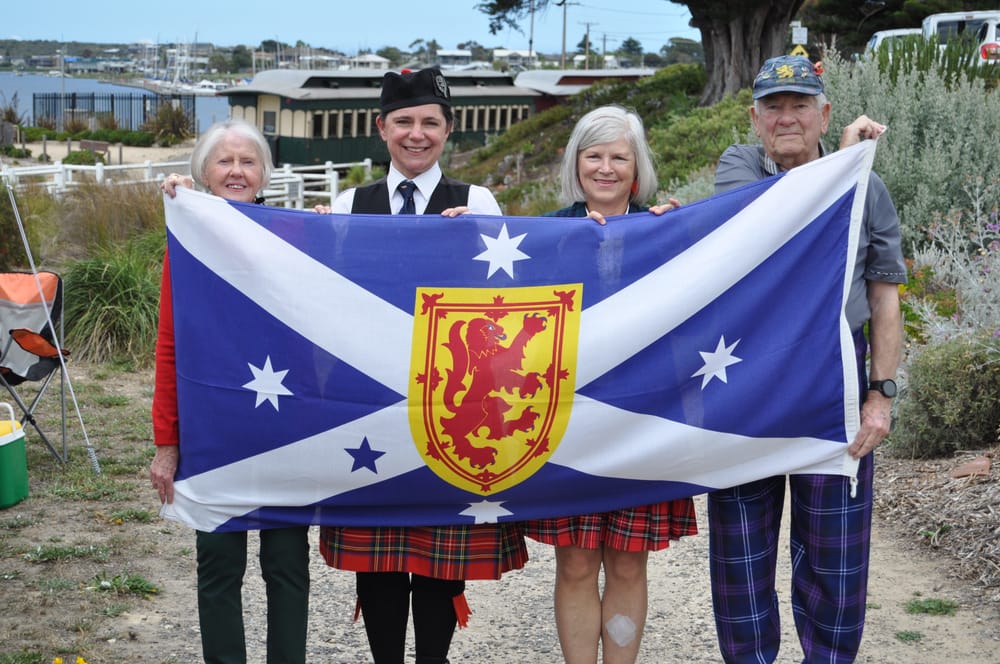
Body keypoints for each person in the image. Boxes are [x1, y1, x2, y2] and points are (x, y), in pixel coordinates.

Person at [315, 67, 527, 664]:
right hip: (372, 401)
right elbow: (324, 295)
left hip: (450, 402)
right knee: (379, 557)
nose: (416, 134)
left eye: (429, 122)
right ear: (381, 128)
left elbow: (503, 303)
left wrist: (476, 242)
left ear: (448, 130)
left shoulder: (477, 202)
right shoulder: (348, 204)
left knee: (440, 557)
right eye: (403, 121)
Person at [707, 55, 907, 664]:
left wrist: (882, 395)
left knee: (835, 556)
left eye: (800, 105)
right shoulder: (739, 167)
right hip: (748, 373)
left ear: (824, 114)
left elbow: (884, 298)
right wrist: (843, 163)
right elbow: (771, 223)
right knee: (741, 553)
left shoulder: (868, 188)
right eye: (773, 106)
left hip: (835, 372)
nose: (786, 117)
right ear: (754, 118)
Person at [522, 104, 696, 664]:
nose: (605, 168)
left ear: (637, 168)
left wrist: (675, 231)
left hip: (642, 418)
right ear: (576, 166)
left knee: (627, 560)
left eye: (618, 157)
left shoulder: (664, 230)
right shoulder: (542, 233)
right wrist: (456, 231)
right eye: (592, 156)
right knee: (575, 561)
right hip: (565, 420)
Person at [150, 118, 311, 664]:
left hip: (286, 428)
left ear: (265, 172)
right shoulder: (189, 237)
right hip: (213, 431)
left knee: (287, 567)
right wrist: (166, 442)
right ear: (203, 171)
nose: (236, 171)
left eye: (248, 161)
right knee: (219, 568)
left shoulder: (297, 233)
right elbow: (170, 343)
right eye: (224, 161)